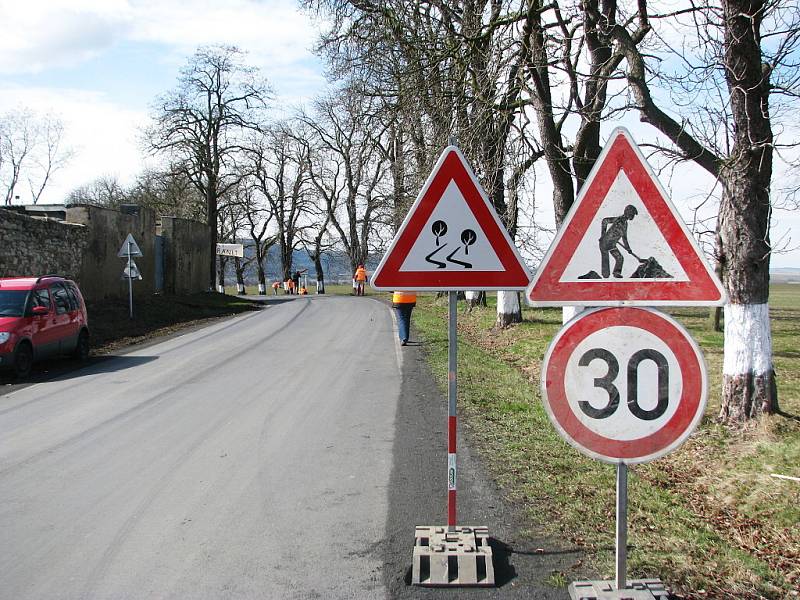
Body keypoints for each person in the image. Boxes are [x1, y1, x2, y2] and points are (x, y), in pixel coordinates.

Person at [599, 204, 638, 278]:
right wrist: (603, 234)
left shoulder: (625, 224)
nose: (633, 216)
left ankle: (616, 273)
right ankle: (605, 278)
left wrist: (628, 248)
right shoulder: (618, 219)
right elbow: (605, 220)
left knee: (620, 258)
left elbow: (624, 238)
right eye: (632, 214)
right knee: (605, 263)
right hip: (605, 242)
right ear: (628, 212)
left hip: (612, 245)